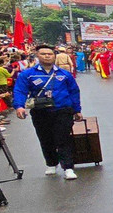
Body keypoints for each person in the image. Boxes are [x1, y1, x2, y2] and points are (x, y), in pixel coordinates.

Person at [13, 43, 83, 180]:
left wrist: (77, 110)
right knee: (45, 138)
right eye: (43, 54)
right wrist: (19, 106)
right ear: (37, 56)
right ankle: (51, 163)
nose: (47, 56)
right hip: (40, 111)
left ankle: (68, 167)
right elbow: (20, 90)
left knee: (63, 138)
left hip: (62, 110)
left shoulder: (64, 74)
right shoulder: (28, 74)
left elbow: (74, 92)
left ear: (54, 56)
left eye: (50, 54)